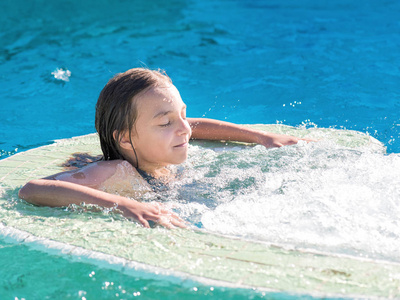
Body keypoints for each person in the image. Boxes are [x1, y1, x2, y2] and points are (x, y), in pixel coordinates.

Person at [18, 68, 307, 228]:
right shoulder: (115, 170)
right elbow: (32, 189)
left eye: (181, 114)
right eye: (165, 123)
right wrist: (124, 204)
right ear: (125, 139)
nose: (185, 129)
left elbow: (193, 123)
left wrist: (261, 137)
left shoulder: (158, 149)